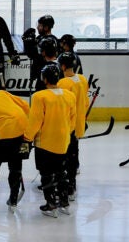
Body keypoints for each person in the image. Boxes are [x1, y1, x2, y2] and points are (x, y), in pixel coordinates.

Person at [23, 64, 76, 218]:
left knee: (46, 173)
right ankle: (64, 202)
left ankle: (51, 203)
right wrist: (66, 133)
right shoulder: (69, 95)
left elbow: (35, 121)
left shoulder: (39, 96)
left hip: (44, 142)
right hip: (63, 141)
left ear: (44, 79)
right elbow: (73, 120)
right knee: (61, 172)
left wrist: (27, 137)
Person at [57, 52, 89, 199]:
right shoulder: (82, 79)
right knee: (74, 154)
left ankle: (65, 186)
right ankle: (72, 185)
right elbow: (85, 103)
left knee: (64, 157)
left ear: (62, 66)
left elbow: (62, 107)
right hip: (78, 124)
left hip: (67, 125)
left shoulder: (63, 83)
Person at [23, 15, 60, 91]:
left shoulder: (51, 40)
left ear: (46, 27)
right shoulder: (40, 38)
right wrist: (26, 41)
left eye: (40, 26)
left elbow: (36, 55)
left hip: (48, 76)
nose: (38, 27)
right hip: (41, 75)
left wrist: (29, 43)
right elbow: (31, 54)